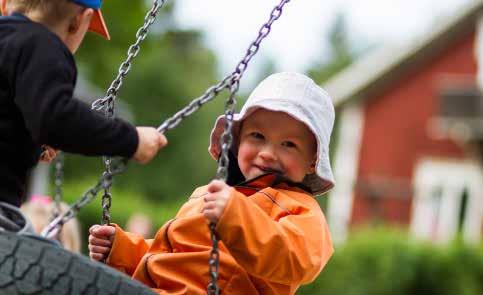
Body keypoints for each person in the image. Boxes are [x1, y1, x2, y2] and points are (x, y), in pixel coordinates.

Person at [88, 72, 335, 294]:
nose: (268, 153)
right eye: (257, 136)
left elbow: (296, 259)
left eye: (289, 144)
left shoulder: (301, 210)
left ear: (312, 161)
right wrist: (123, 251)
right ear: (238, 140)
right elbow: (172, 253)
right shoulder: (210, 194)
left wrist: (236, 216)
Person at [0, 0, 168, 208]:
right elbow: (56, 117)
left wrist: (33, 144)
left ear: (4, 4)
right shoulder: (44, 46)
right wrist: (133, 140)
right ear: (80, 20)